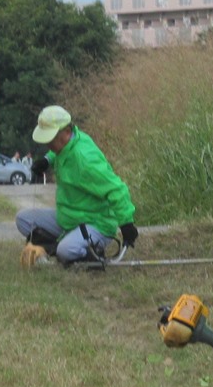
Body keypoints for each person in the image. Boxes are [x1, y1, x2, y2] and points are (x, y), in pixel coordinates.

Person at [17, 105, 138, 267]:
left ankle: (84, 249)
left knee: (65, 251)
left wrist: (126, 223)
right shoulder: (69, 142)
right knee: (23, 219)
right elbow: (59, 152)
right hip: (69, 218)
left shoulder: (85, 160)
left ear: (67, 132)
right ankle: (65, 242)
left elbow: (116, 189)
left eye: (50, 139)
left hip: (96, 223)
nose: (47, 144)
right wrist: (47, 160)